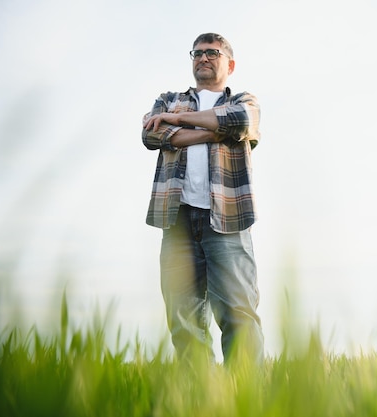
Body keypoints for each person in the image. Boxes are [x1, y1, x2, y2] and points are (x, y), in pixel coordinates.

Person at [141, 33, 264, 365]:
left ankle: (245, 401)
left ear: (229, 63)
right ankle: (200, 400)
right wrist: (216, 131)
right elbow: (151, 134)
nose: (204, 58)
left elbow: (241, 122)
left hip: (228, 216)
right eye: (198, 53)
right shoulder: (167, 100)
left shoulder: (242, 100)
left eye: (213, 53)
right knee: (183, 317)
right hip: (177, 219)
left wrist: (179, 122)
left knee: (238, 313)